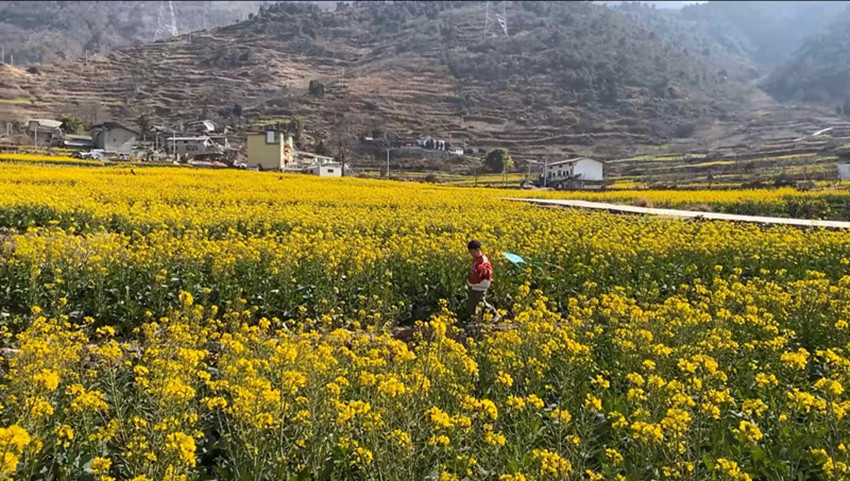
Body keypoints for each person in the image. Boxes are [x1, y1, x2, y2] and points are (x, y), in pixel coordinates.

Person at [465, 239, 495, 320]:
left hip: (481, 284)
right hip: (475, 285)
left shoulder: (483, 259)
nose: (471, 254)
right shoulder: (476, 259)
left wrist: (485, 271)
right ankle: (472, 318)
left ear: (477, 250)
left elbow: (488, 270)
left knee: (480, 301)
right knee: (471, 304)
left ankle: (494, 313)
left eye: (472, 251)